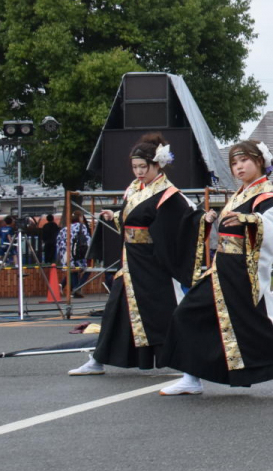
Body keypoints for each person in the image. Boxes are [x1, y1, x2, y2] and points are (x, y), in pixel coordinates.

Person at [159, 140, 273, 396]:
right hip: (223, 267)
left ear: (259, 161)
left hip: (243, 270)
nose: (239, 166)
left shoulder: (266, 196)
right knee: (189, 314)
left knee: (262, 323)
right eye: (234, 162)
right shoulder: (239, 194)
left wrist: (249, 219)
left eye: (244, 160)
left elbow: (270, 229)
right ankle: (191, 378)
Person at [68, 133, 196, 376]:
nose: (138, 172)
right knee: (115, 310)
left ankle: (183, 359)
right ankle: (98, 359)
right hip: (131, 259)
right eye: (135, 167)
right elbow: (132, 218)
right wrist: (115, 216)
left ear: (157, 165)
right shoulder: (134, 188)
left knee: (160, 313)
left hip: (153, 262)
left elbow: (182, 222)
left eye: (143, 167)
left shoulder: (169, 194)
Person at [58, 213, 92, 297]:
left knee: (72, 270)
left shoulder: (64, 229)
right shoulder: (81, 226)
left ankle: (65, 285)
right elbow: (87, 239)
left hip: (66, 254)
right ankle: (76, 288)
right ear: (79, 218)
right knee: (87, 270)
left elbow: (58, 241)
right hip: (77, 253)